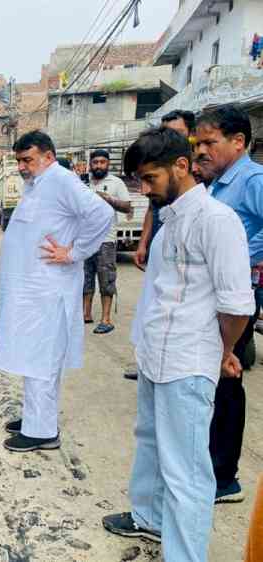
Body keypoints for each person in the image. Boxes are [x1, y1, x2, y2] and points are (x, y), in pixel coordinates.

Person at [103, 127, 254, 562]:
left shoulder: (216, 221)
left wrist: (223, 351)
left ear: (182, 167)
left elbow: (237, 304)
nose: (144, 189)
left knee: (187, 472)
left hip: (188, 361)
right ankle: (149, 518)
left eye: (150, 179)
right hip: (156, 356)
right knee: (149, 440)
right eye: (139, 181)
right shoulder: (169, 224)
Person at [0, 131, 112, 452]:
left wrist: (74, 252)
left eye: (27, 160)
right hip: (33, 293)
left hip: (47, 293)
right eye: (18, 160)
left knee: (40, 360)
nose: (21, 166)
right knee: (36, 358)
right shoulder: (38, 186)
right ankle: (37, 418)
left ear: (48, 156)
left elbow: (102, 214)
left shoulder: (60, 180)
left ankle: (41, 432)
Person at [195, 104, 263, 503]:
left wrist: (240, 255)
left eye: (210, 142)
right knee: (212, 381)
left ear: (238, 142)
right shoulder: (218, 184)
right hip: (213, 295)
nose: (202, 150)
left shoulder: (252, 179)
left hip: (234, 298)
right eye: (197, 142)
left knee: (226, 381)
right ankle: (212, 465)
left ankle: (225, 477)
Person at [134, 110, 197, 270]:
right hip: (160, 247)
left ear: (191, 134)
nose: (169, 141)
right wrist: (143, 244)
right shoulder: (155, 173)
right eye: (165, 134)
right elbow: (151, 210)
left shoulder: (201, 173)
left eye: (177, 134)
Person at [83, 149, 132, 334]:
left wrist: (108, 199)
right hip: (86, 240)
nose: (98, 166)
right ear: (90, 164)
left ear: (108, 164)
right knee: (85, 279)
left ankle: (106, 318)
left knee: (106, 279)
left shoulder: (116, 183)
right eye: (95, 162)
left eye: (102, 162)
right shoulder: (83, 183)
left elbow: (127, 207)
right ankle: (85, 314)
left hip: (106, 240)